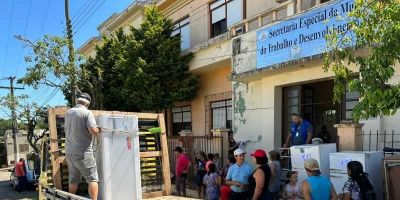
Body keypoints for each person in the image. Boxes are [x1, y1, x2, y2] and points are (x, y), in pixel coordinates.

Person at [65, 93, 101, 200]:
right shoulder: (87, 112)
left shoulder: (68, 112)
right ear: (88, 103)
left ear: (77, 101)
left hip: (69, 151)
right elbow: (93, 130)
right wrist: (99, 130)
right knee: (92, 178)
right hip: (83, 152)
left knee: (73, 179)